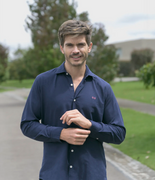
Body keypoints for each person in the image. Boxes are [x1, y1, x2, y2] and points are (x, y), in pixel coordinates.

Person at [20, 19, 126, 180]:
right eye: (70, 45)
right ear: (62, 48)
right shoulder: (43, 82)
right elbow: (27, 124)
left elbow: (118, 133)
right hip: (53, 174)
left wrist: (90, 125)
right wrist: (61, 134)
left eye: (81, 45)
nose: (75, 50)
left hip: (92, 175)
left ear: (89, 47)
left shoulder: (103, 88)